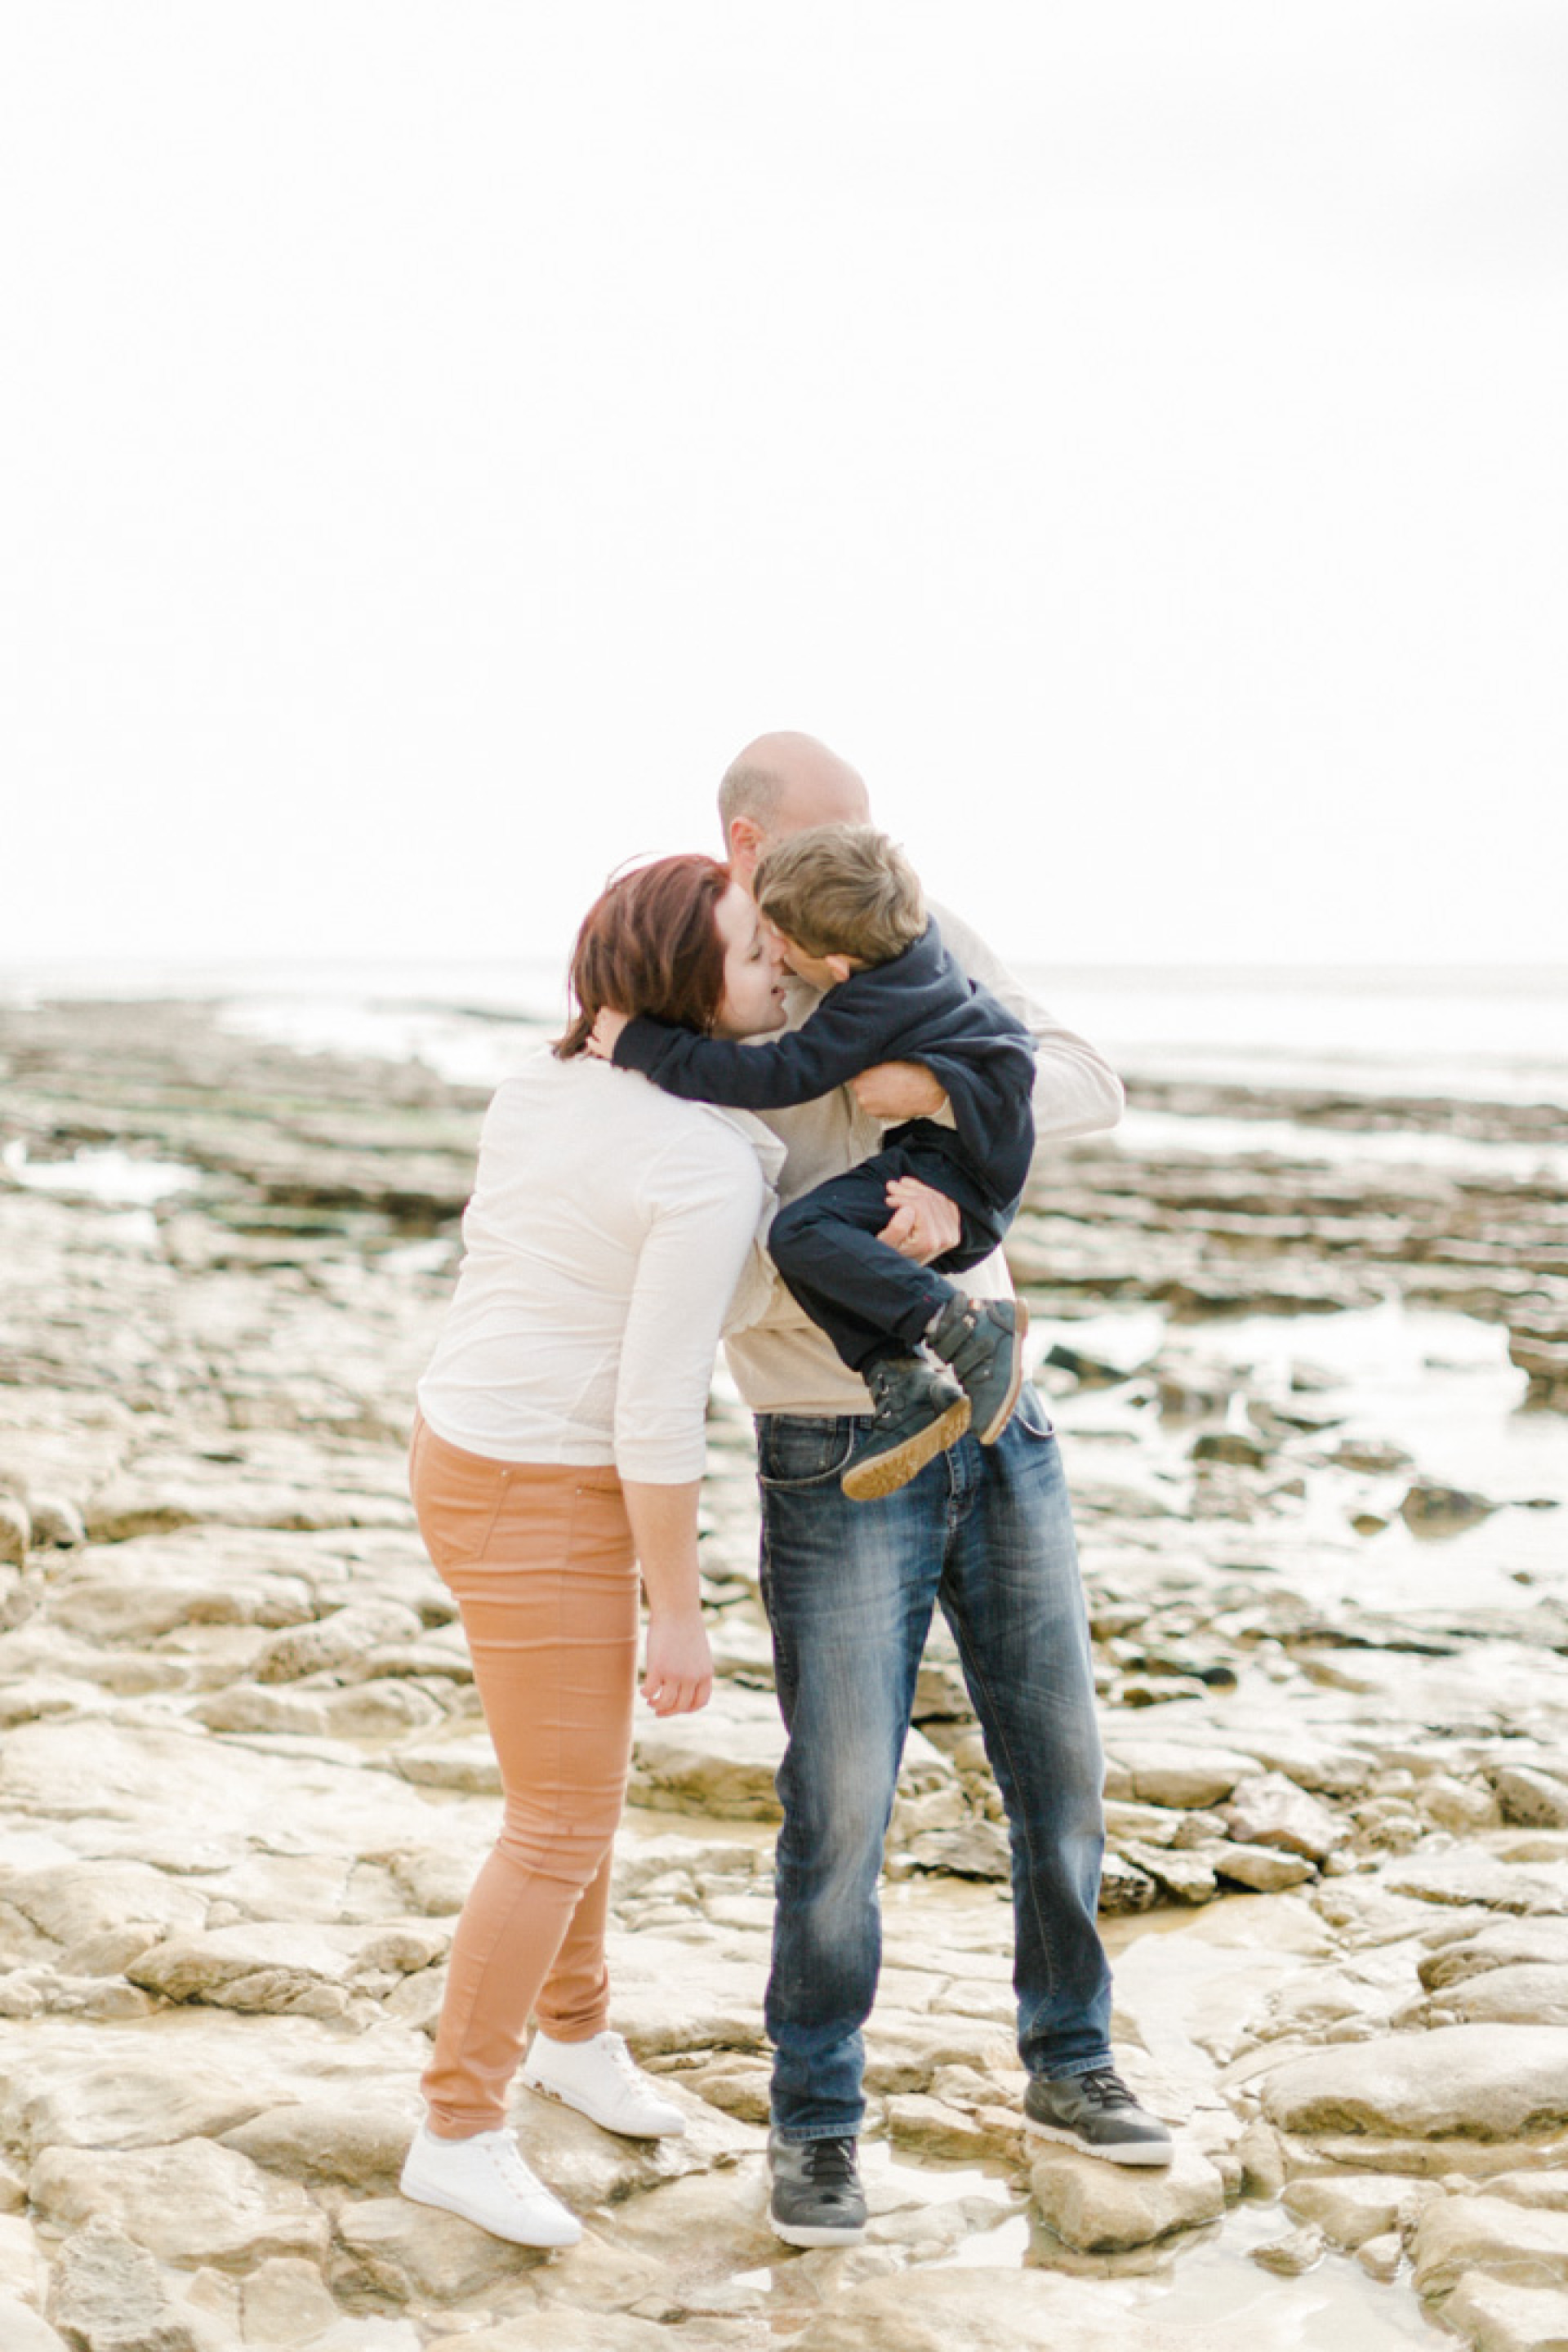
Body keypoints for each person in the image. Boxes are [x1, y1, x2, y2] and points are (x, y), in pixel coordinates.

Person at [712, 732, 1174, 2249]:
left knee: (1060, 1767)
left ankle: (1073, 2061)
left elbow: (1089, 1080)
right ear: (749, 847)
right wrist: (852, 1247)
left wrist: (944, 1084)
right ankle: (817, 2124)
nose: (879, 852)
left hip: (1003, 1416)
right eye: (835, 828)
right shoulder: (713, 976)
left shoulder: (915, 926)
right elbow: (689, 1222)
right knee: (841, 1803)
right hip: (834, 1437)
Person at [398, 853, 787, 2249]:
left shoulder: (545, 1080)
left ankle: (575, 2035)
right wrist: (679, 1608)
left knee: (574, 1791)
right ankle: (457, 2127)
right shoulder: (695, 1157)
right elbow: (657, 1403)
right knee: (559, 1820)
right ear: (685, 981)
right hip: (542, 1481)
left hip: (463, 1443)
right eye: (756, 954)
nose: (784, 972)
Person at [590, 822, 1037, 1500]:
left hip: (956, 1172)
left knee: (800, 1233)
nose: (774, 951)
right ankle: (901, 1379)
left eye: (782, 941)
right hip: (968, 1160)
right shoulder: (912, 945)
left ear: (837, 967)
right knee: (821, 1247)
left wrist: (646, 1047)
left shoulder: (870, 1003)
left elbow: (779, 1074)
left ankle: (965, 1328)